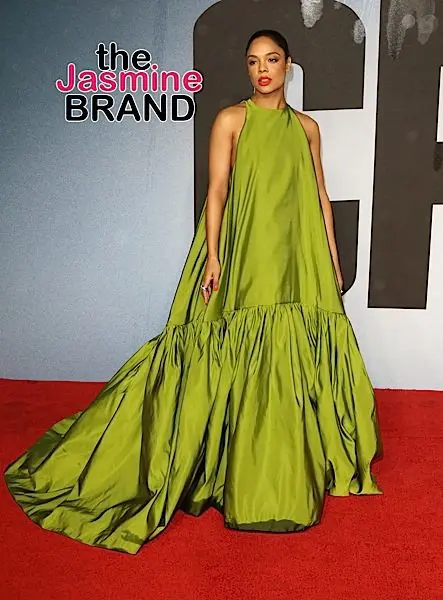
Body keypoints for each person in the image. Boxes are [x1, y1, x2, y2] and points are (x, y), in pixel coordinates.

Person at [4, 29, 382, 555]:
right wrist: (214, 255)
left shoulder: (307, 128)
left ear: (288, 65)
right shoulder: (231, 120)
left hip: (299, 255)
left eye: (272, 60)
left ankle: (292, 459)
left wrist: (333, 258)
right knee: (225, 345)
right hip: (243, 251)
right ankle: (231, 465)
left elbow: (319, 192)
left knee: (293, 347)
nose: (262, 70)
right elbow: (218, 190)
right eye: (253, 61)